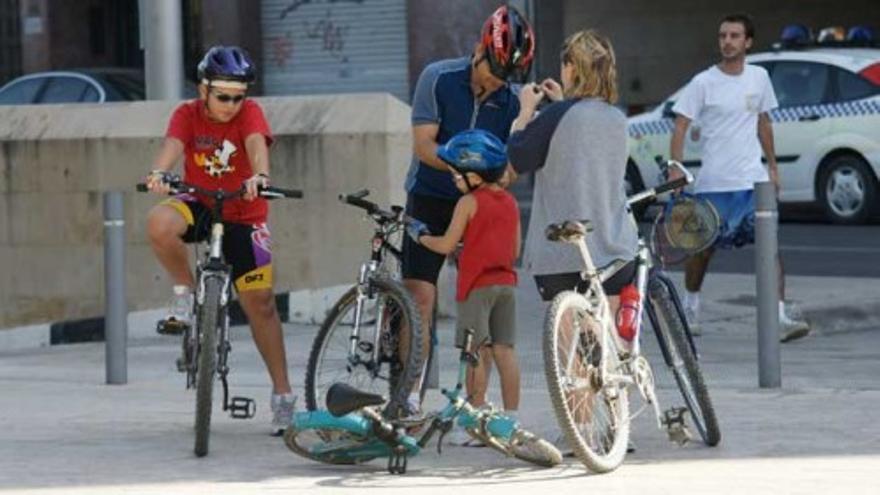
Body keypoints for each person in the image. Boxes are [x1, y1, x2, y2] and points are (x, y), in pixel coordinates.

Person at [144, 45, 295, 435]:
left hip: (245, 214)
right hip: (199, 202)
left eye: (238, 97)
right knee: (160, 223)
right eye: (222, 96)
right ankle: (186, 293)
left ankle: (283, 396)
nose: (231, 105)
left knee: (261, 305)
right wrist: (159, 173)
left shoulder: (250, 114)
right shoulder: (187, 114)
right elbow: (172, 147)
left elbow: (256, 146)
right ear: (203, 90)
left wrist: (259, 177)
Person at [401, 4, 535, 415]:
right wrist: (470, 165)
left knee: (481, 310)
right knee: (419, 298)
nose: (499, 81)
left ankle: (474, 406)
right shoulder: (437, 78)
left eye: (508, 76)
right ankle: (408, 395)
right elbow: (424, 146)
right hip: (430, 195)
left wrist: (523, 120)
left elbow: (509, 170)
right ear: (480, 49)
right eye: (495, 69)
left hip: (480, 207)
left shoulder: (510, 100)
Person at [669, 13, 809, 343]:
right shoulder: (703, 82)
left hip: (752, 184)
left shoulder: (759, 77)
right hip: (714, 185)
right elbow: (680, 125)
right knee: (700, 252)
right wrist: (676, 167)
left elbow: (764, 123)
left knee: (770, 248)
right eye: (723, 36)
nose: (727, 41)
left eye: (734, 36)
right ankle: (691, 308)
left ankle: (777, 317)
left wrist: (772, 168)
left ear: (748, 42)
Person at [507, 29, 638, 317]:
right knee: (612, 346)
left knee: (572, 358)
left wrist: (526, 111)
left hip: (564, 257)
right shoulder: (617, 118)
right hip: (616, 252)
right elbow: (582, 139)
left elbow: (517, 155)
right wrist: (563, 103)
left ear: (572, 68)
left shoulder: (556, 116)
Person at [407, 129, 521, 444]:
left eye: (458, 174)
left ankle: (475, 417)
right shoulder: (510, 202)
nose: (454, 179)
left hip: (476, 287)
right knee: (504, 351)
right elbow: (514, 249)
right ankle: (511, 419)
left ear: (474, 175)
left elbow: (445, 245)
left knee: (474, 352)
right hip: (506, 284)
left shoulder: (468, 202)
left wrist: (420, 236)